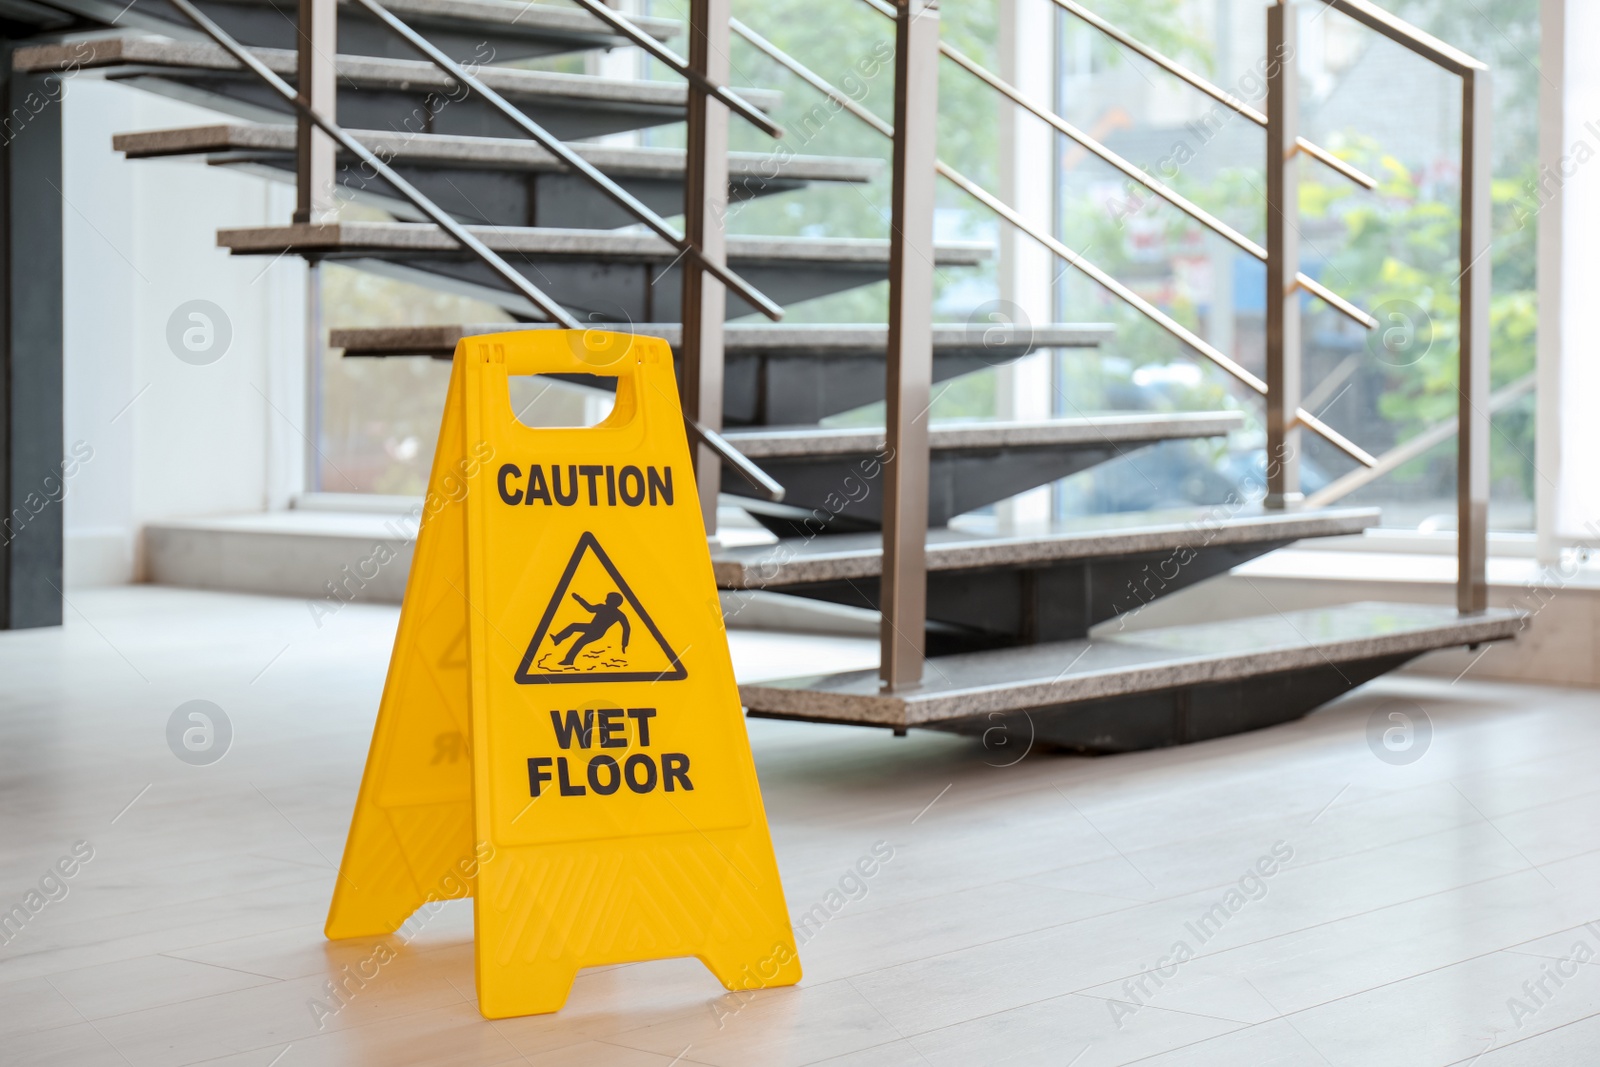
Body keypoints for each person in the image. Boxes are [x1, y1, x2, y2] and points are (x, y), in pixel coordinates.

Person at [551, 591, 631, 665]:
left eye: (608, 599)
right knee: (576, 633)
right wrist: (579, 599)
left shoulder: (617, 614)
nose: (605, 600)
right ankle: (562, 648)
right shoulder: (604, 608)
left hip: (596, 632)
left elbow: (626, 628)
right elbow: (590, 608)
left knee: (578, 637)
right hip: (592, 628)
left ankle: (566, 655)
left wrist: (624, 644)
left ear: (613, 602)